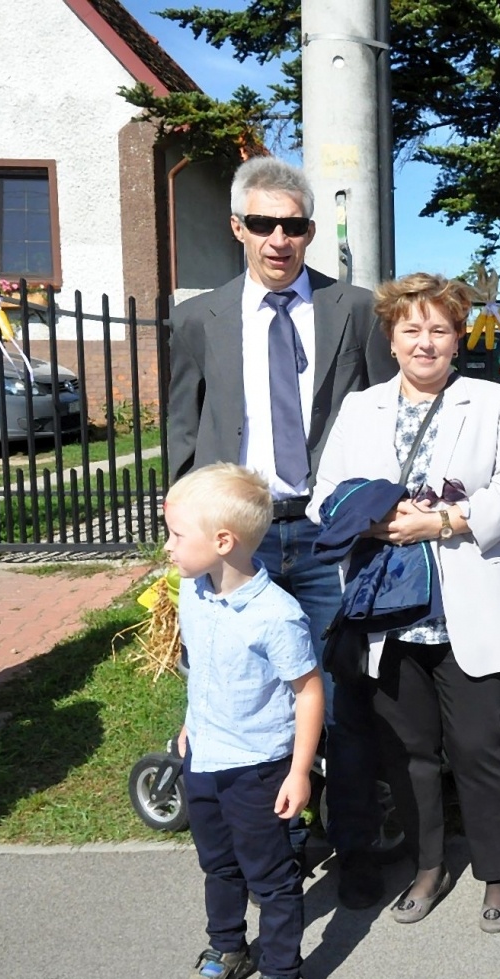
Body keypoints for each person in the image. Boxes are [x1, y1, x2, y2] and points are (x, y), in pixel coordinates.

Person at [167, 155, 395, 909]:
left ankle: (357, 845)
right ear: (237, 226)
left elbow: (377, 418)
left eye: (292, 225)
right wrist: (183, 529)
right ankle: (282, 848)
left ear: (309, 232)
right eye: (262, 223)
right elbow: (181, 430)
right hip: (243, 544)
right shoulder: (199, 318)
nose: (277, 239)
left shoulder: (354, 310)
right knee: (254, 702)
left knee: (342, 694)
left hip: (327, 534)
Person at [308, 272, 500, 932]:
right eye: (412, 329)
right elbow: (328, 496)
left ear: (458, 335)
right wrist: (376, 521)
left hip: (469, 599)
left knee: (479, 745)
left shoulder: (491, 402)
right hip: (390, 609)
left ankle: (498, 871)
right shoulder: (362, 409)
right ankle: (429, 863)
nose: (426, 341)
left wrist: (446, 522)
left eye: (439, 328)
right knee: (407, 749)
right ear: (392, 335)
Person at [167, 463, 321, 979]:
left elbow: (308, 692)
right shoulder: (192, 590)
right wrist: (190, 722)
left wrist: (299, 771)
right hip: (202, 759)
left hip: (257, 769)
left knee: (272, 876)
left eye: (178, 535)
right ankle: (227, 948)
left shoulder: (276, 615)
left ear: (222, 542)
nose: (170, 546)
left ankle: (281, 974)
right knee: (218, 864)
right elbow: (200, 669)